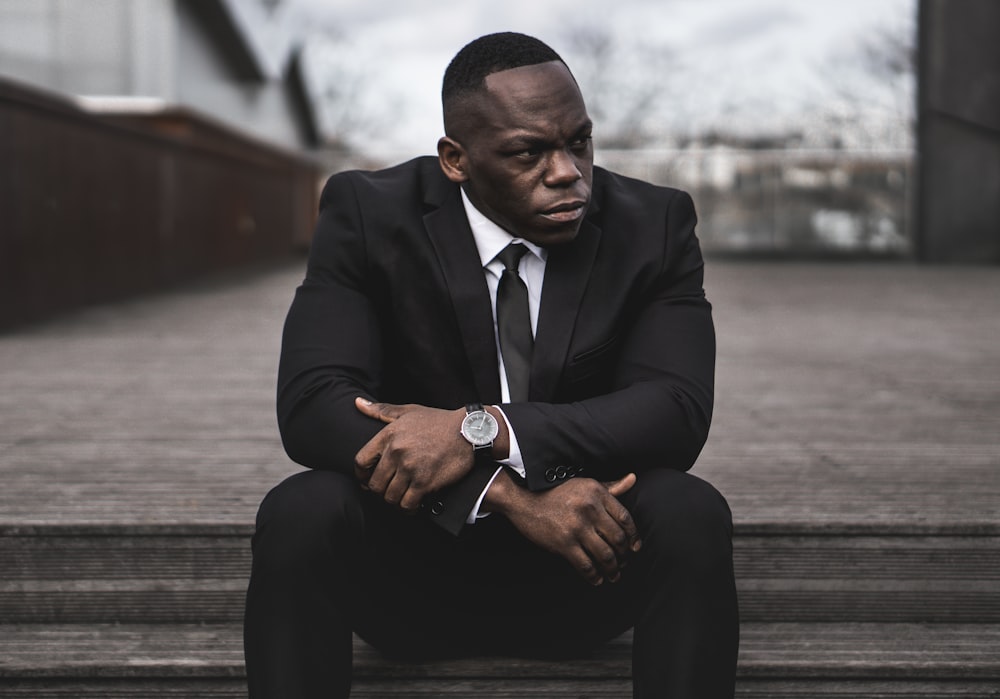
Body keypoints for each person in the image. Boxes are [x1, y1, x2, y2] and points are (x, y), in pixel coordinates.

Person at [244, 31, 739, 698]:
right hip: (411, 574)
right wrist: (502, 493)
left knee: (690, 508)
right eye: (528, 152)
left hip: (586, 561)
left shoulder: (652, 225)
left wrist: (482, 426)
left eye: (579, 142)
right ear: (456, 158)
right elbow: (314, 405)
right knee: (302, 508)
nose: (567, 172)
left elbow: (674, 410)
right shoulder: (370, 215)